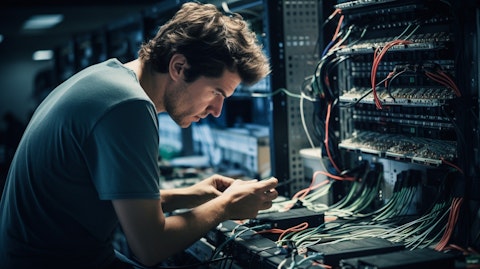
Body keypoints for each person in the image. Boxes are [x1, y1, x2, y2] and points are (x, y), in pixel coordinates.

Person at [0, 2, 278, 269]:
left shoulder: (110, 79)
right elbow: (150, 246)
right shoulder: (128, 106)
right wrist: (227, 205)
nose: (217, 111)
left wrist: (193, 195)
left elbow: (117, 203)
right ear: (178, 67)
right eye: (216, 92)